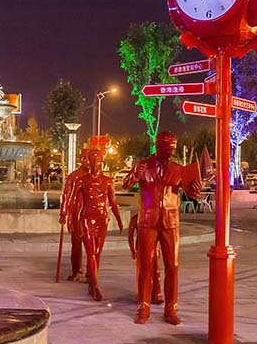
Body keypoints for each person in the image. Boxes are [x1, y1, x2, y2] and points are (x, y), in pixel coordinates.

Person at [123, 131, 201, 325]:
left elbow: (192, 193)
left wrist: (195, 191)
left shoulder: (178, 169)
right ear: (157, 145)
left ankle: (171, 310)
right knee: (145, 266)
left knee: (172, 266)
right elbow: (126, 185)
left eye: (173, 147)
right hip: (147, 222)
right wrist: (135, 173)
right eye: (167, 147)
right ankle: (143, 308)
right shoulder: (143, 166)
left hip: (170, 223)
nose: (170, 151)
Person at [67, 149, 124, 301]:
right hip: (87, 218)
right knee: (91, 252)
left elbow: (113, 202)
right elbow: (73, 201)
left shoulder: (108, 181)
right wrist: (69, 218)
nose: (95, 162)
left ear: (101, 161)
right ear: (88, 161)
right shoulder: (81, 180)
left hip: (102, 219)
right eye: (92, 159)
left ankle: (92, 280)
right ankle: (95, 286)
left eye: (97, 159)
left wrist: (119, 219)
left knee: (97, 253)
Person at [59, 149, 90, 282]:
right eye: (85, 158)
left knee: (92, 246)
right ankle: (77, 271)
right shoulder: (74, 176)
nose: (88, 162)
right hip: (77, 213)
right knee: (76, 244)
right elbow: (66, 195)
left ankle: (91, 272)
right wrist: (64, 212)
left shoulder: (97, 177)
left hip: (92, 214)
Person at [127, 213, 163, 305]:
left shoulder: (155, 216)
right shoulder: (136, 218)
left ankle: (156, 294)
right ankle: (142, 294)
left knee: (156, 271)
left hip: (155, 248)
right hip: (141, 248)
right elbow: (130, 235)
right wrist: (132, 250)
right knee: (143, 271)